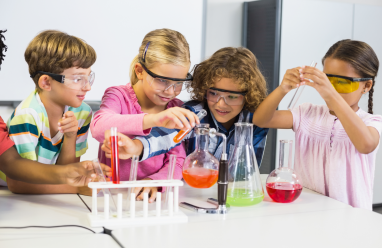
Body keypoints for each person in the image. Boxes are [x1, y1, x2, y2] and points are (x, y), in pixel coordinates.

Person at [252, 39, 382, 210]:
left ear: (366, 85)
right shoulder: (307, 113)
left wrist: (330, 94)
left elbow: (366, 144)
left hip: (351, 219)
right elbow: (261, 120)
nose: (333, 89)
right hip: (308, 212)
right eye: (328, 80)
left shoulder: (370, 121)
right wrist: (283, 88)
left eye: (342, 82)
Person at [102, 47, 269, 170]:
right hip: (192, 196)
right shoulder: (194, 113)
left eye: (231, 96)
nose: (220, 104)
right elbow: (165, 137)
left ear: (247, 95)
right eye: (213, 93)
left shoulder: (255, 122)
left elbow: (247, 171)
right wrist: (136, 148)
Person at [91, 29, 198, 203]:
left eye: (179, 83)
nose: (171, 91)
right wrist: (155, 119)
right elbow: (98, 127)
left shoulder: (176, 108)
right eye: (162, 80)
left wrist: (156, 182)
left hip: (151, 199)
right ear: (140, 71)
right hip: (112, 199)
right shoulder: (118, 95)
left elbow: (178, 159)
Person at [0, 29, 111, 189]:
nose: (87, 87)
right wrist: (78, 188)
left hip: (47, 191)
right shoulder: (27, 115)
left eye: (89, 77)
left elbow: (68, 172)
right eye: (78, 79)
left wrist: (71, 136)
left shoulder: (82, 112)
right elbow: (19, 183)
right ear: (46, 82)